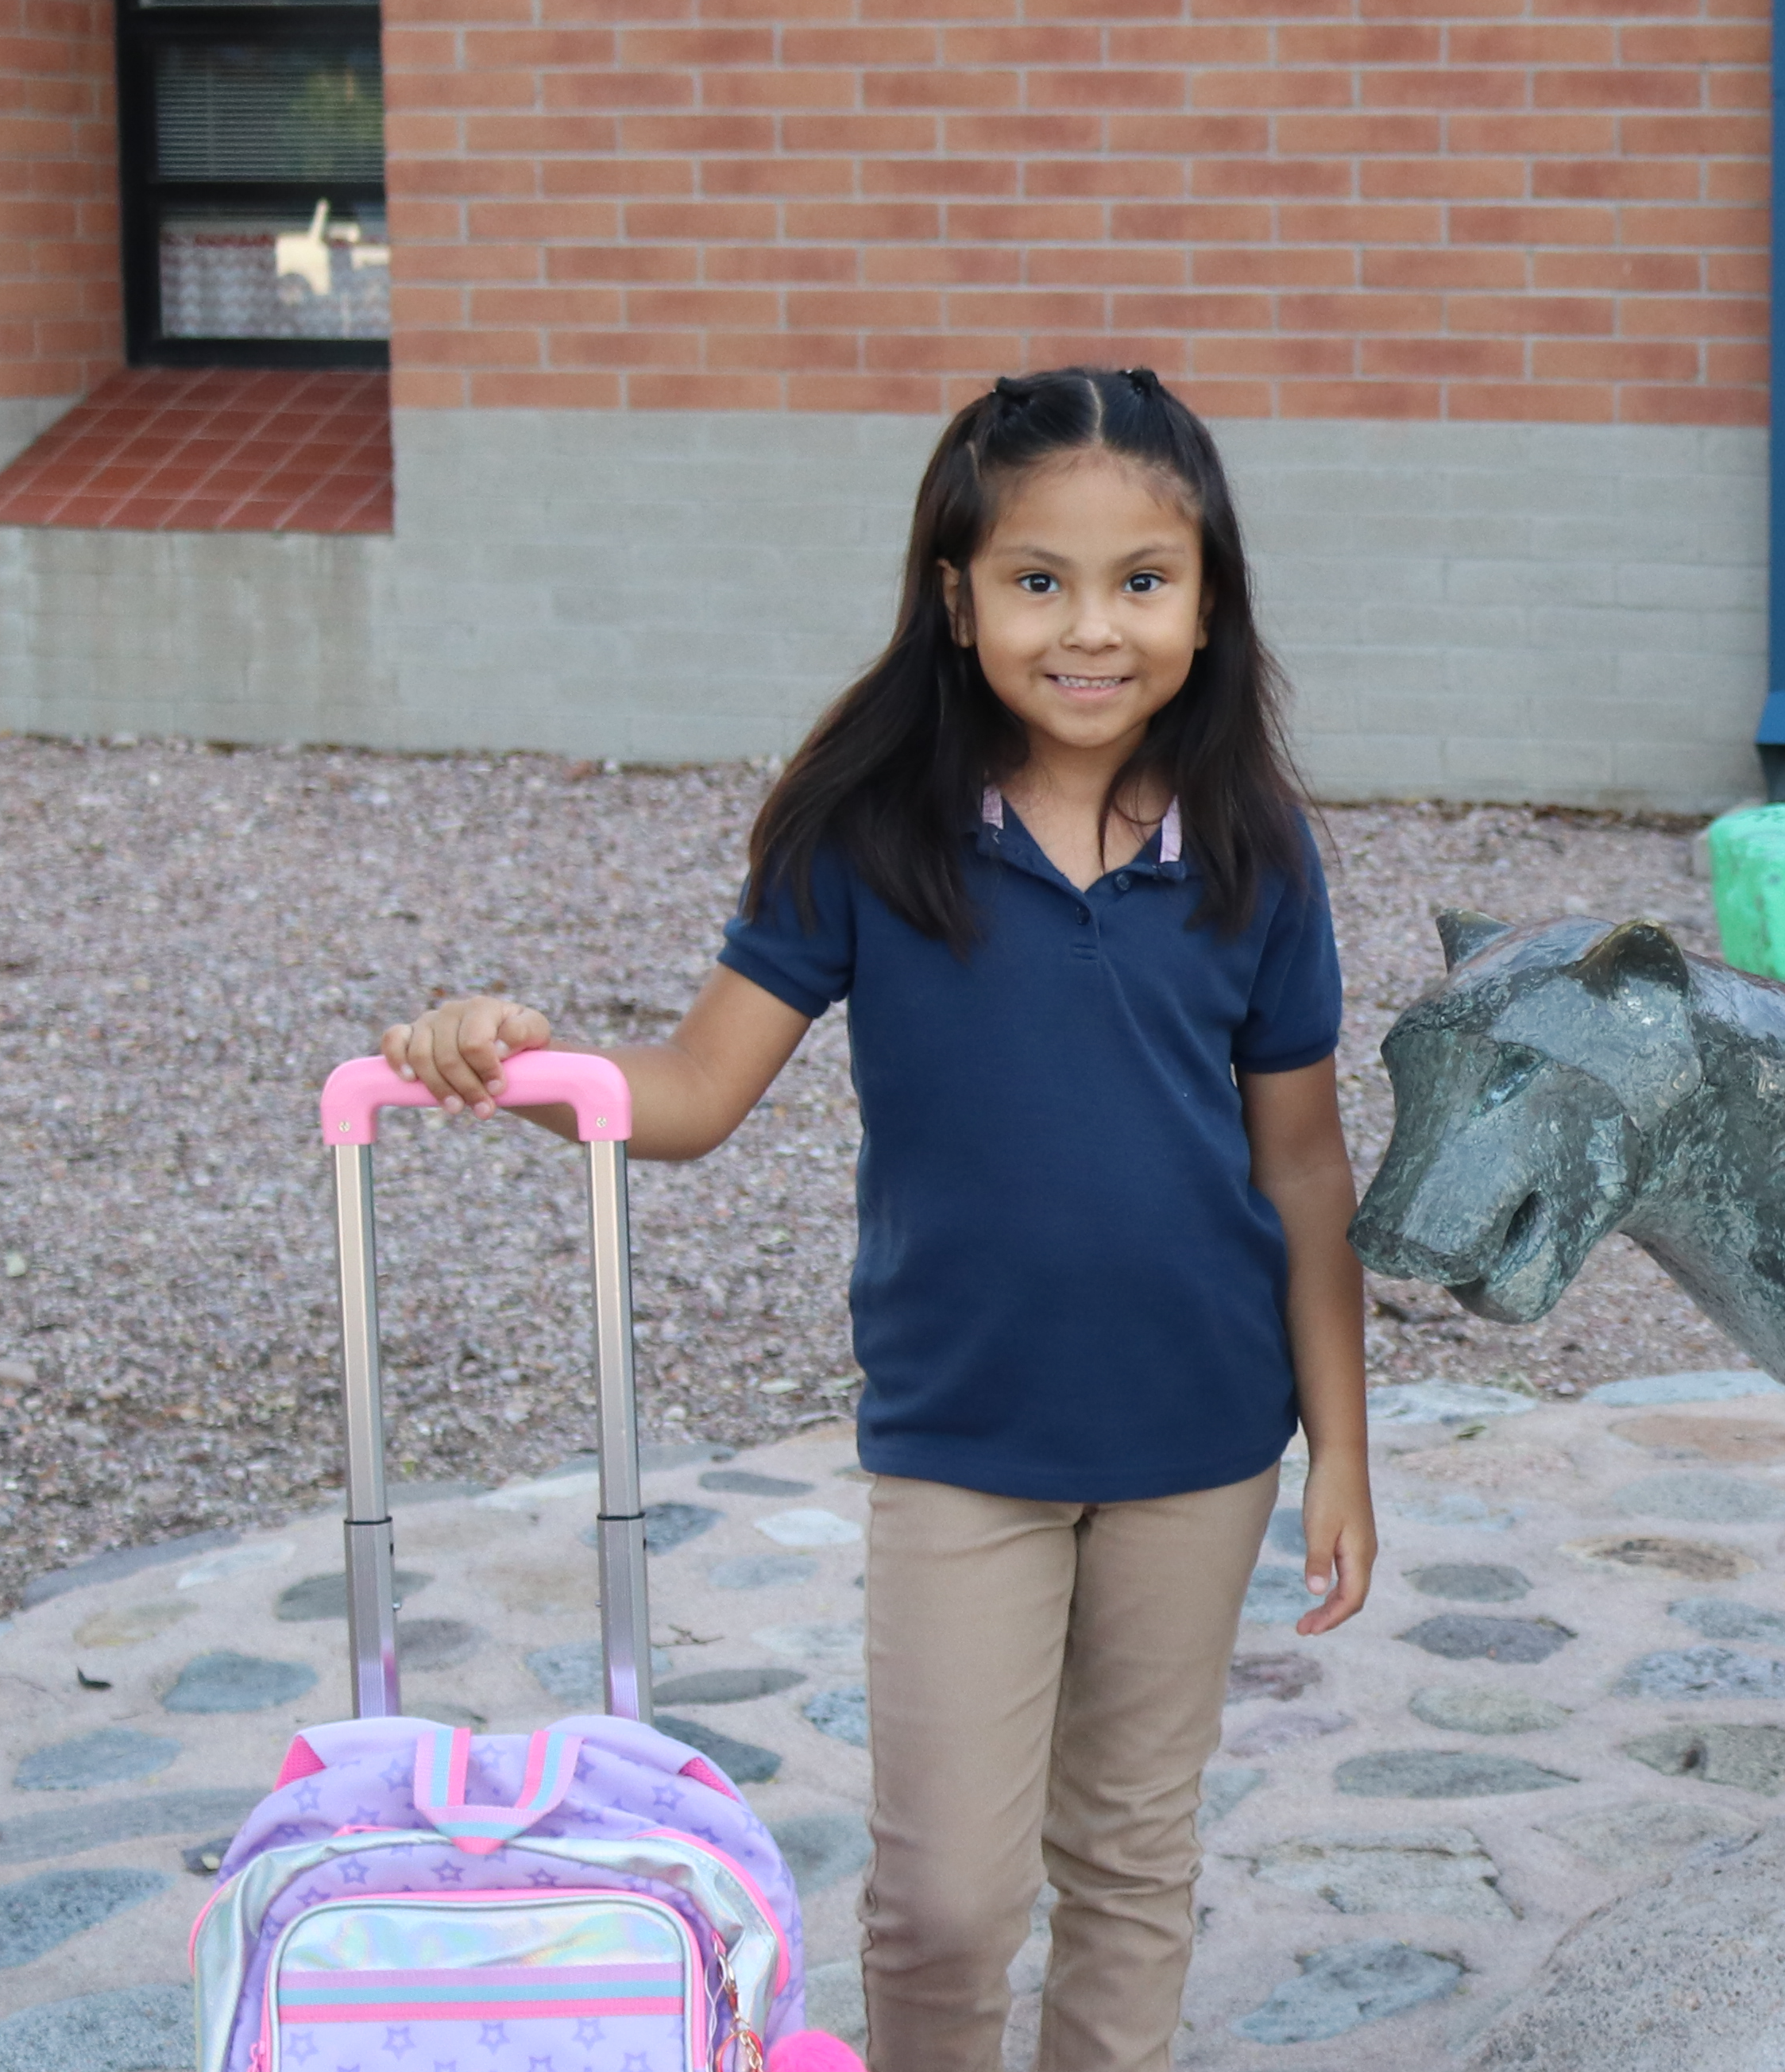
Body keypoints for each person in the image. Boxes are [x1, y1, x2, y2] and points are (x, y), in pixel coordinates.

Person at [373, 365, 1376, 2072]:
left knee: (1132, 1856)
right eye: (1038, 580)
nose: (1093, 629)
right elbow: (688, 1092)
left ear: (1209, 605)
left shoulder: (1257, 855)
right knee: (945, 1904)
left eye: (1144, 581)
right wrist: (517, 1059)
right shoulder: (871, 834)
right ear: (957, 597)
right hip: (960, 1438)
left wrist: (1341, 1445)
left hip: (1202, 1436)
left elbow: (1302, 1165)